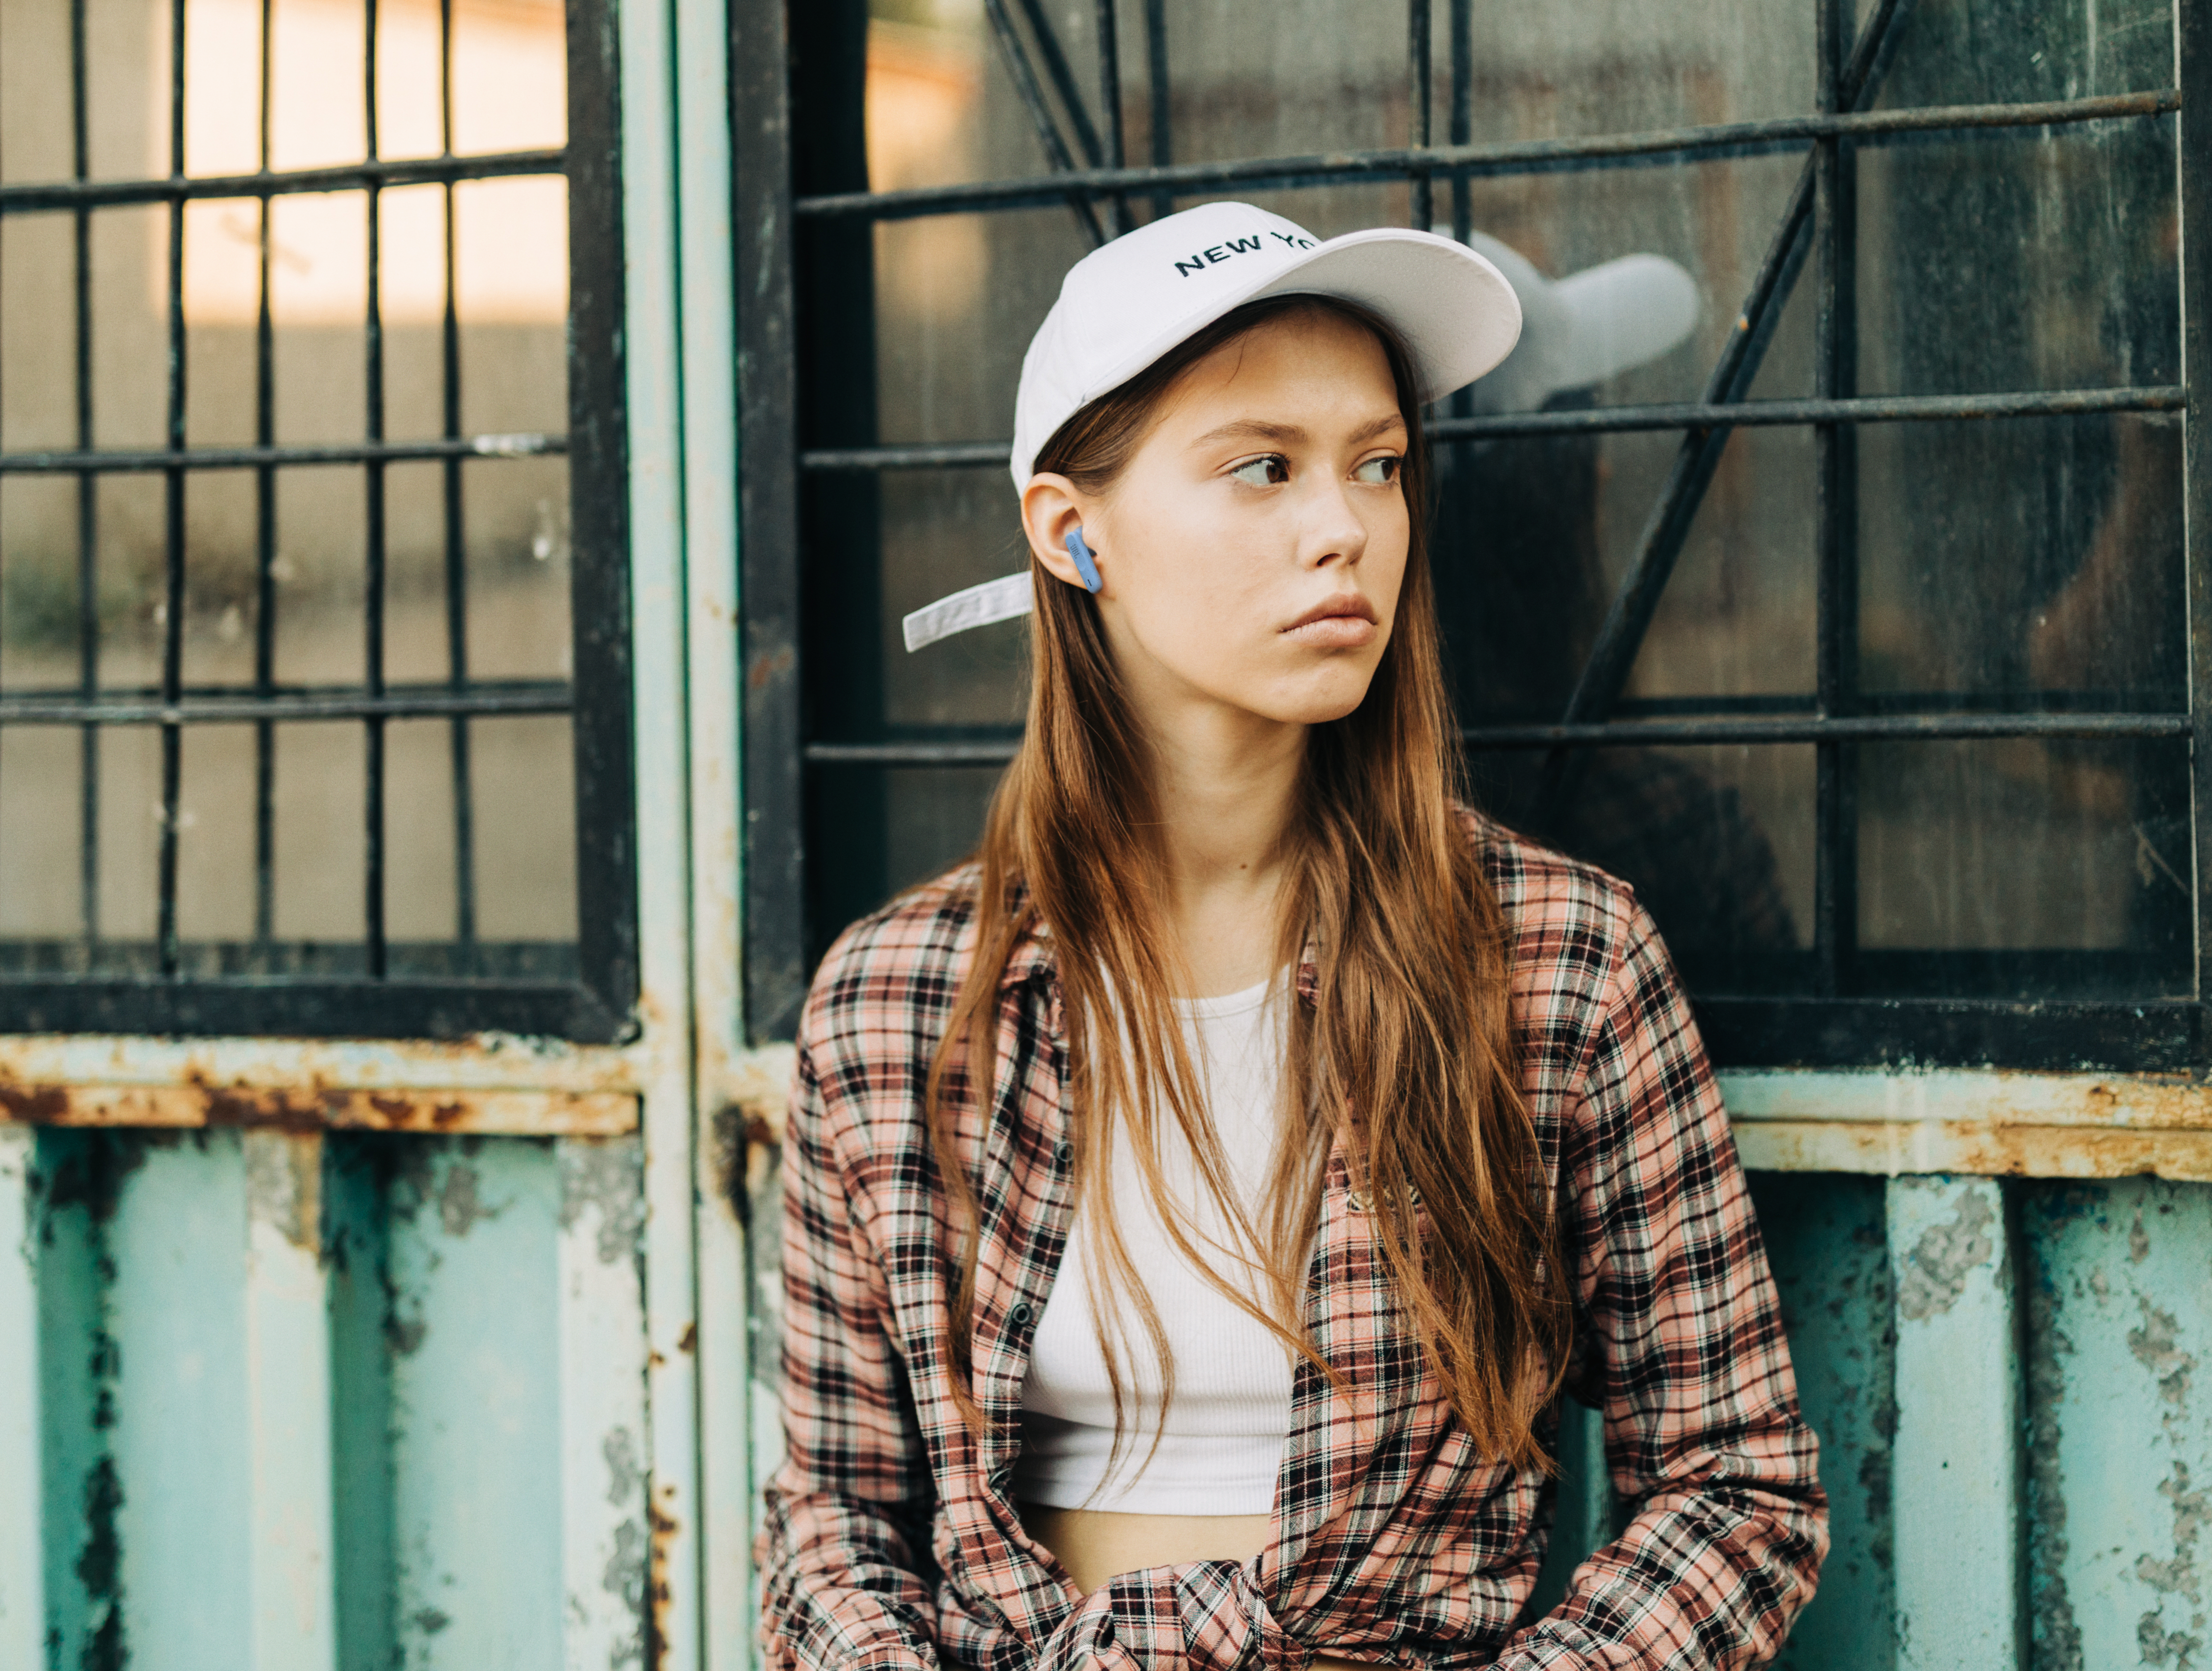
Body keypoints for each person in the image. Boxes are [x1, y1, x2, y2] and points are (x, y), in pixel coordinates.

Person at [757, 200, 1827, 1671]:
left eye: (1376, 465)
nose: (1345, 526)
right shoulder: (895, 1000)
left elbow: (1735, 1484)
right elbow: (833, 1513)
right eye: (1262, 466)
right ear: (1076, 536)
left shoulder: (1554, 956)